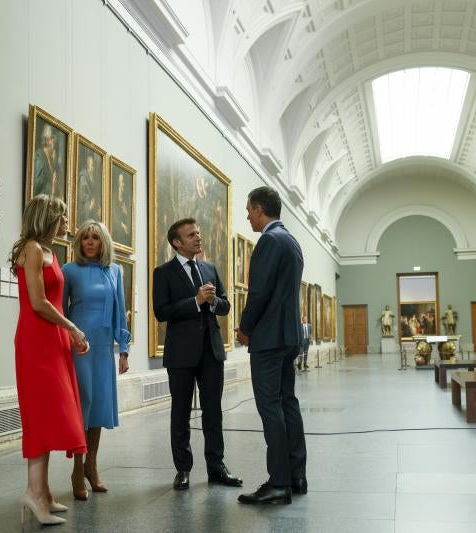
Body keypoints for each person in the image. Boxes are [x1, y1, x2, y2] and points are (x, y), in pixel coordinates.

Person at [9, 194, 90, 526]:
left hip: (52, 339)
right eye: (62, 216)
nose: (67, 223)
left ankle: (42, 490)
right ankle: (34, 493)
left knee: (56, 415)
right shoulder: (31, 249)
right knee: (43, 415)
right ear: (46, 217)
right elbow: (39, 302)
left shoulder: (49, 252)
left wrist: (67, 334)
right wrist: (72, 327)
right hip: (37, 340)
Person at [152, 218, 242, 491]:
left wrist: (214, 302)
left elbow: (226, 305)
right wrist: (196, 301)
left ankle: (217, 467)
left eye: (199, 233)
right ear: (177, 242)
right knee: (180, 413)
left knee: (213, 412)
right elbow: (161, 312)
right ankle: (183, 470)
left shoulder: (209, 268)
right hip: (180, 353)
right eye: (192, 235)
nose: (198, 238)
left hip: (211, 351)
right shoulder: (163, 272)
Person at [236, 186, 307, 505]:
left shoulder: (269, 240)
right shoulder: (291, 240)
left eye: (249, 209)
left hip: (268, 338)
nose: (247, 215)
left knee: (270, 407)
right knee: (287, 403)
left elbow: (259, 293)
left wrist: (245, 327)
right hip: (289, 336)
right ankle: (296, 476)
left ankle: (278, 482)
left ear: (260, 209)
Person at [62, 221, 131, 500]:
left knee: (99, 407)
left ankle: (92, 466)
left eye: (95, 238)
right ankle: (77, 469)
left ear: (104, 243)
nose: (90, 242)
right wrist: (68, 340)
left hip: (104, 349)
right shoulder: (69, 271)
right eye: (85, 238)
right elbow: (60, 311)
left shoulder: (115, 271)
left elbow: (120, 311)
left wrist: (123, 349)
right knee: (83, 405)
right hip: (79, 347)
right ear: (79, 243)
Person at [34, 124, 65, 201]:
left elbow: (59, 180)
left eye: (53, 138)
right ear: (46, 140)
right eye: (51, 138)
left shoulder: (54, 156)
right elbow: (37, 187)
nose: (53, 141)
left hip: (52, 198)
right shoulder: (39, 157)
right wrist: (52, 190)